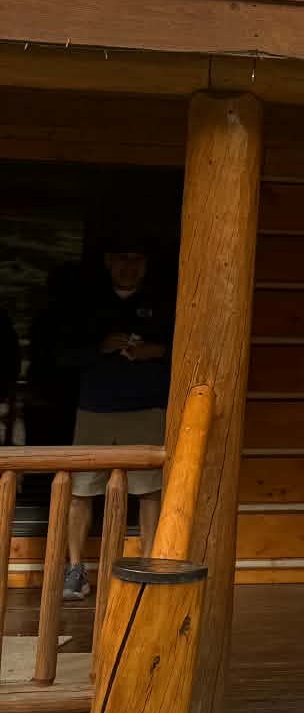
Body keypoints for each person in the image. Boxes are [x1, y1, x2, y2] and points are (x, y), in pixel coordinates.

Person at [60, 238, 174, 600]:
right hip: (94, 409)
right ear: (109, 262)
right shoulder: (86, 303)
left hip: (147, 408)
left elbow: (182, 348)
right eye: (122, 259)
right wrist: (101, 347)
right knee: (81, 491)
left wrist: (153, 351)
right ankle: (75, 569)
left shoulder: (163, 302)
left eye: (137, 258)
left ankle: (150, 564)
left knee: (150, 490)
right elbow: (60, 354)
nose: (130, 266)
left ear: (146, 264)